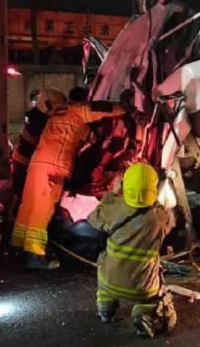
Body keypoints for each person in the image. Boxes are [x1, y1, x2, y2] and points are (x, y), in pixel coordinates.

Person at [11, 86, 126, 270]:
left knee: (29, 207)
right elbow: (102, 108)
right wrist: (124, 107)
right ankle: (35, 254)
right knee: (42, 211)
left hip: (37, 166)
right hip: (53, 168)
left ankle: (19, 246)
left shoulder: (52, 118)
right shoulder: (76, 111)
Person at [87, 162, 177, 338]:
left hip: (109, 281)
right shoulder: (160, 218)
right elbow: (171, 220)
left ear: (124, 185)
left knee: (105, 285)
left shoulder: (114, 209)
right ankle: (143, 313)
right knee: (152, 297)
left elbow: (93, 217)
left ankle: (106, 310)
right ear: (154, 189)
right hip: (141, 287)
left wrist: (113, 194)